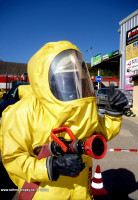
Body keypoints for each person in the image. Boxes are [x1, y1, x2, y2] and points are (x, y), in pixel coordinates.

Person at [0, 41, 128, 200]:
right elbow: (13, 159)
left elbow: (100, 135)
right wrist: (51, 167)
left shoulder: (81, 107)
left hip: (82, 193)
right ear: (47, 80)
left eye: (76, 76)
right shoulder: (22, 112)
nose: (72, 82)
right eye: (65, 77)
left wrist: (113, 113)